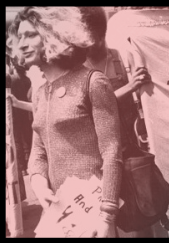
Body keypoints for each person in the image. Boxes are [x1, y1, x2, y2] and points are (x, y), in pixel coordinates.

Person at [11, 7, 122, 238]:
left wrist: (106, 216)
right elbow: (38, 151)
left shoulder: (92, 82)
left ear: (54, 35)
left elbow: (112, 152)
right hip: (58, 214)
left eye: (31, 35)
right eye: (20, 36)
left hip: (93, 213)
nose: (21, 44)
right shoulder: (40, 93)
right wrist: (39, 183)